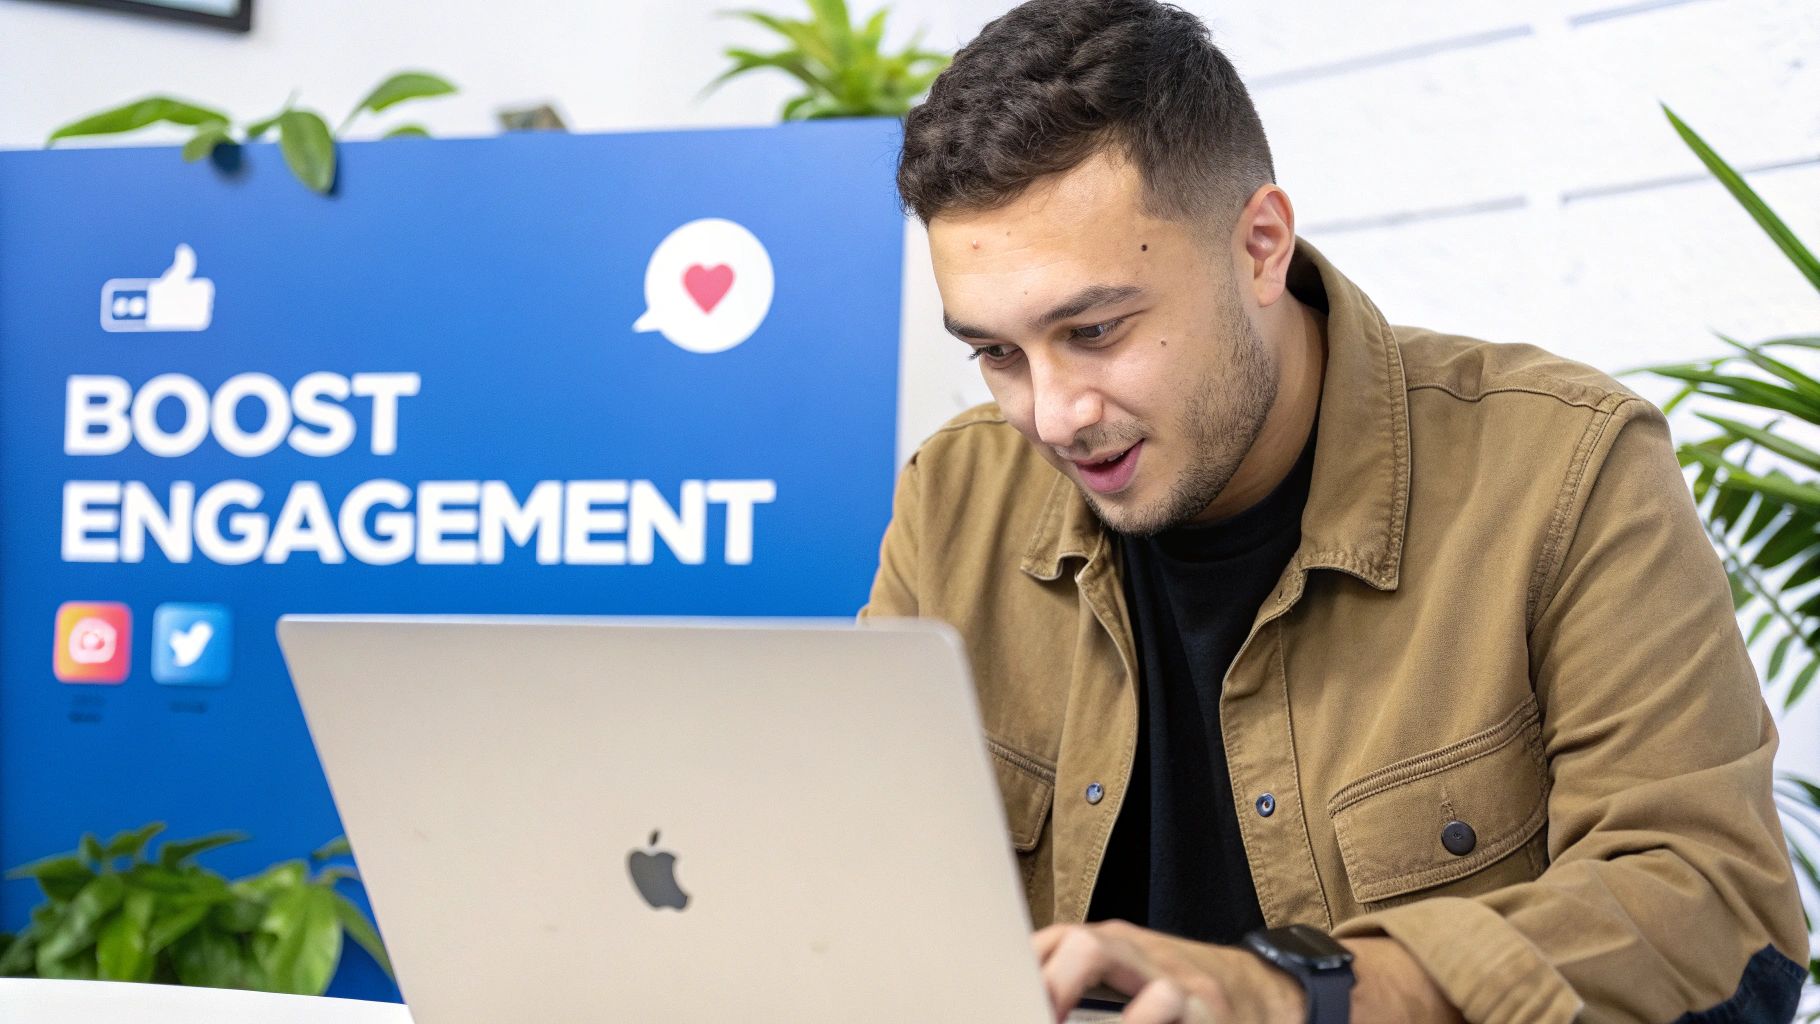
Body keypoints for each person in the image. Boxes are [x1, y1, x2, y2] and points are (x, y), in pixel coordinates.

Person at [861, 1, 1810, 1021]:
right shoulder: (950, 497)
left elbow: (1714, 911)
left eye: (1093, 330)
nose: (1050, 415)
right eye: (995, 354)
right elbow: (850, 875)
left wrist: (1290, 993)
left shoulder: (1564, 467)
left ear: (1261, 245)